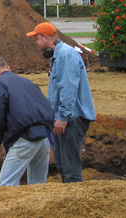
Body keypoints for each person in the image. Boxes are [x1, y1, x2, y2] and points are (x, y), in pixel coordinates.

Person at [26, 22, 96, 183]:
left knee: (70, 166)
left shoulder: (66, 55)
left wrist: (63, 117)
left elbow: (68, 88)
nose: (36, 43)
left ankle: (74, 201)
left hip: (72, 119)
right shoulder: (58, 56)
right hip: (64, 118)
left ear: (46, 37)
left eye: (37, 39)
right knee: (62, 164)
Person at [0, 56, 54, 187]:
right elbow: (46, 107)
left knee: (5, 186)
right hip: (44, 138)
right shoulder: (27, 82)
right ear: (9, 68)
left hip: (25, 139)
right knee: (38, 185)